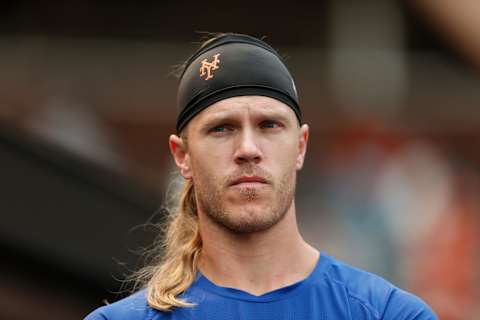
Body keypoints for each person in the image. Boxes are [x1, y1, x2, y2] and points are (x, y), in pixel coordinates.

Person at [85, 33, 437, 320]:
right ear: (183, 156)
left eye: (269, 125)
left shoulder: (388, 314)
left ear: (300, 146)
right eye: (222, 128)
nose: (248, 148)